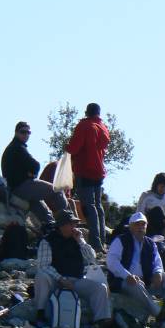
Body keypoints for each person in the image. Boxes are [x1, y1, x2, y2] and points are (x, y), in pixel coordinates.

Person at [34, 211, 113, 328]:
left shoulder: (77, 239)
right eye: (71, 223)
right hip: (56, 281)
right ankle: (40, 314)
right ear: (61, 225)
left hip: (76, 281)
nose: (74, 226)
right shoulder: (47, 241)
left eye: (75, 223)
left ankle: (101, 323)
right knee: (41, 276)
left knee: (100, 288)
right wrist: (61, 279)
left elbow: (92, 258)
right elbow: (43, 266)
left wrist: (80, 241)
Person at [107, 212, 165, 325]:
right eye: (137, 224)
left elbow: (157, 262)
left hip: (145, 281)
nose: (140, 227)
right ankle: (158, 313)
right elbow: (112, 262)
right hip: (122, 282)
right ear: (130, 227)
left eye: (143, 224)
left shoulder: (150, 243)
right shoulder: (120, 240)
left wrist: (158, 273)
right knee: (135, 283)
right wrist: (127, 275)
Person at [2, 122, 67, 224]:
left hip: (16, 189)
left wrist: (30, 173)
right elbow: (35, 165)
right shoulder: (17, 147)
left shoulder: (14, 147)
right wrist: (30, 173)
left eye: (28, 132)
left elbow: (31, 167)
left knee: (42, 209)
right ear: (16, 132)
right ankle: (66, 222)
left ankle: (49, 228)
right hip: (22, 186)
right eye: (23, 132)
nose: (26, 135)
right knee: (57, 190)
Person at [66, 103, 110, 252]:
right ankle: (102, 241)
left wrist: (67, 147)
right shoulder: (103, 127)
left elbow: (73, 148)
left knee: (89, 206)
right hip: (99, 171)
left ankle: (96, 244)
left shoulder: (84, 126)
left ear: (86, 112)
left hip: (85, 170)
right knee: (97, 205)